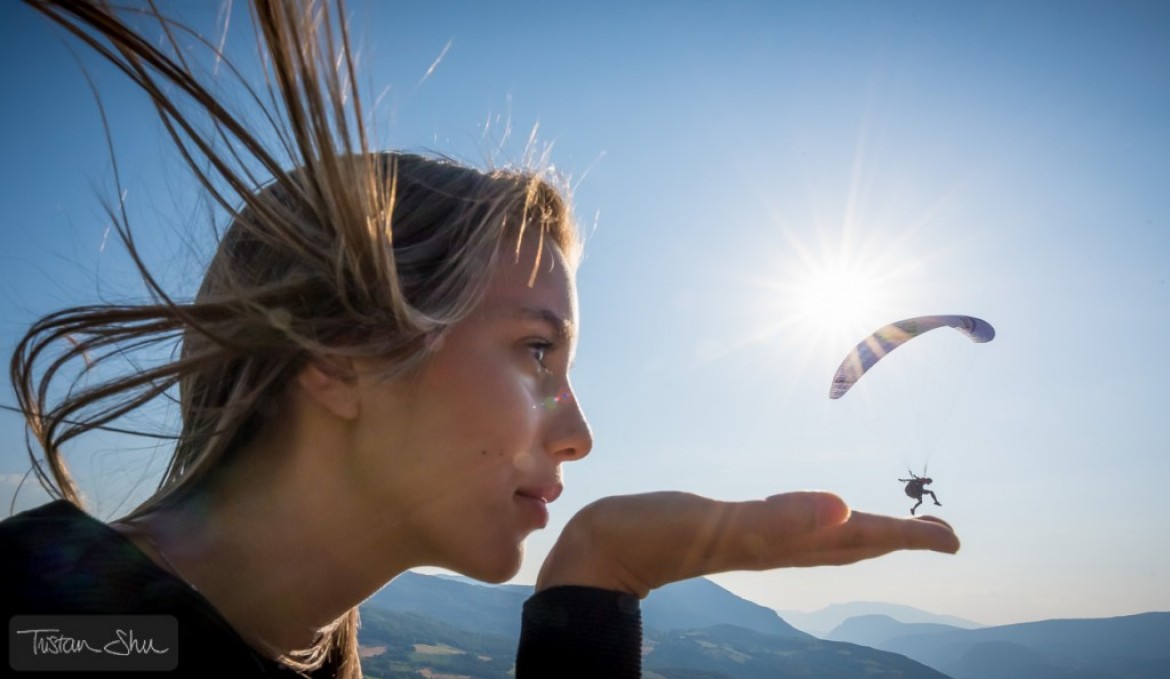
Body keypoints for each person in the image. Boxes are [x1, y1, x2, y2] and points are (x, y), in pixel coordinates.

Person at [1, 1, 961, 677]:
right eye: (538, 351)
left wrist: (598, 579)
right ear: (341, 354)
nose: (579, 432)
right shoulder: (49, 621)